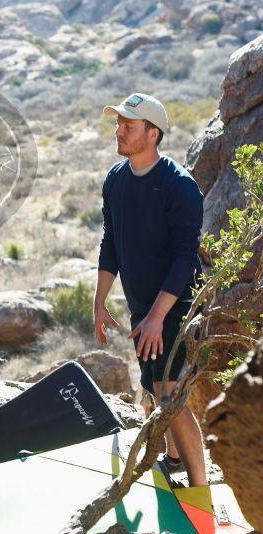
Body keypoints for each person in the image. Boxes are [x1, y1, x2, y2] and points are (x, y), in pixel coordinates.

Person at [94, 93, 207, 487]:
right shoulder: (116, 180)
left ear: (153, 133)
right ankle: (174, 460)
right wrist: (99, 299)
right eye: (118, 125)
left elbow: (185, 259)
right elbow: (111, 240)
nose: (118, 132)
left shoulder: (179, 186)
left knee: (169, 394)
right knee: (155, 389)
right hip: (143, 309)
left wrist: (159, 316)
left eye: (129, 126)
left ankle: (201, 490)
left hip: (178, 305)